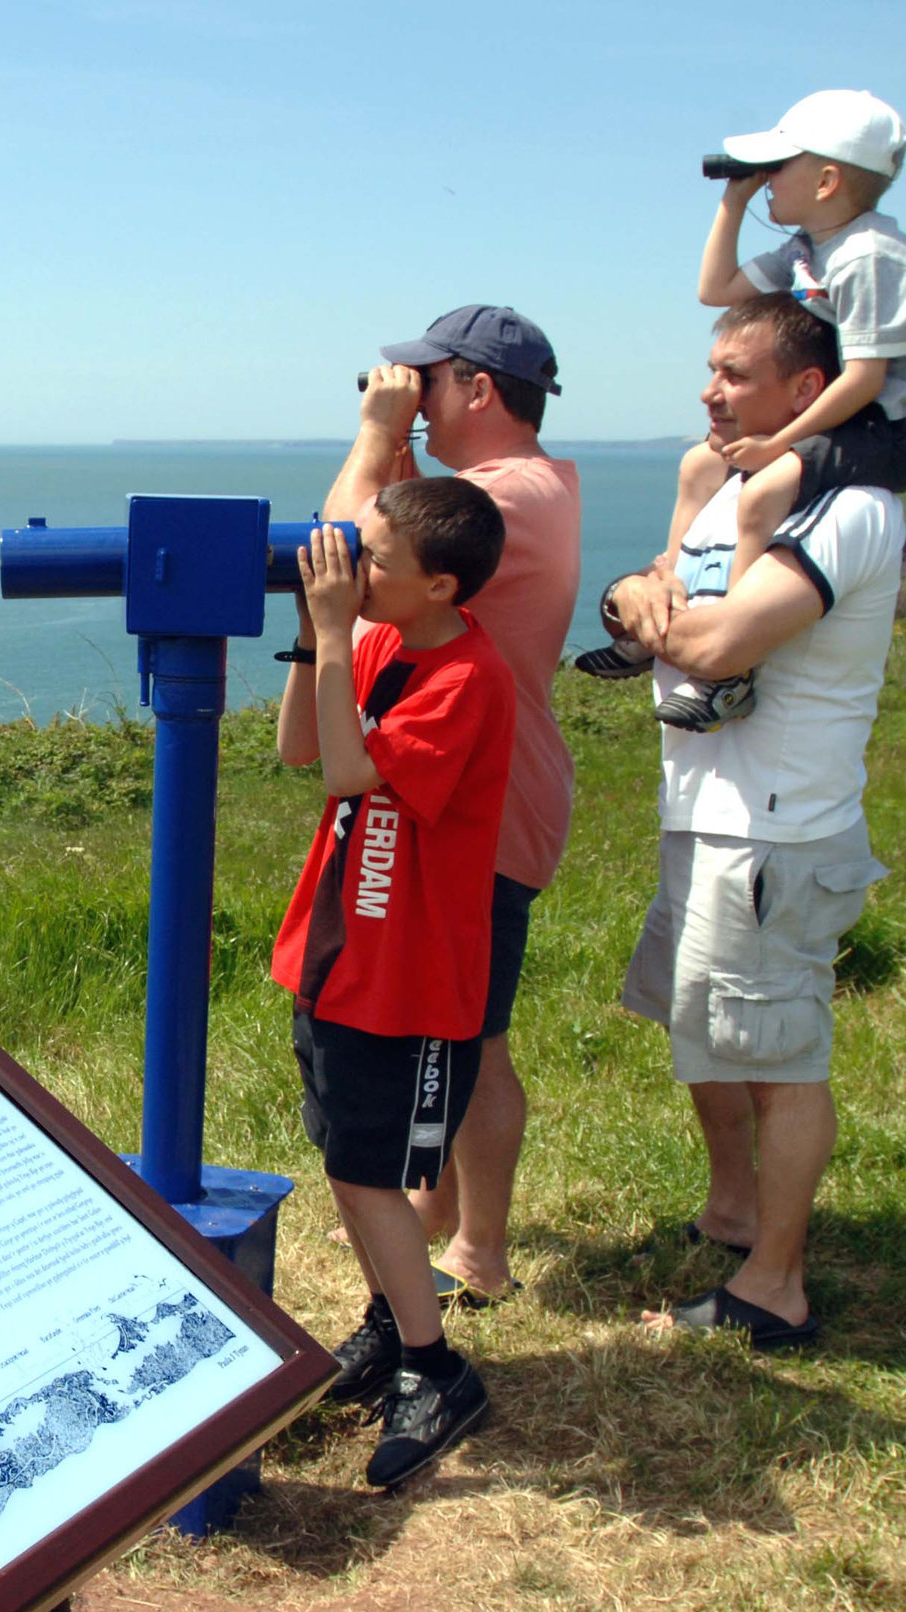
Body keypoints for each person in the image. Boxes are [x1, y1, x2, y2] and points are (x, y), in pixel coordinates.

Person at [590, 293, 905, 1348]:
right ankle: (733, 1212)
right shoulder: (727, 486)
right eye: (709, 368)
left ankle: (775, 1286)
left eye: (734, 373)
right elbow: (652, 592)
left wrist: (658, 613)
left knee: (779, 1056)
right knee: (708, 1029)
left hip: (776, 827)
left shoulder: (850, 510)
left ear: (806, 391)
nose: (707, 390)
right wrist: (640, 594)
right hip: (706, 811)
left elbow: (719, 645)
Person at [301, 306, 582, 1403]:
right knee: (466, 1043)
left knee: (467, 1041)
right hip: (465, 797)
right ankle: (432, 1234)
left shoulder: (502, 499)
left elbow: (343, 540)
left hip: (465, 811)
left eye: (425, 381)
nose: (407, 392)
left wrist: (376, 434)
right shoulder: (539, 483)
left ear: (472, 387)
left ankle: (471, 1251)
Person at [272, 477, 514, 1488]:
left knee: (378, 1176)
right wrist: (311, 637)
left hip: (410, 979)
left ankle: (434, 1369)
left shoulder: (466, 679)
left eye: (373, 560)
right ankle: (387, 1324)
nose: (352, 570)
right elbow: (299, 748)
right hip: (337, 958)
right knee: (345, 1161)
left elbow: (348, 774)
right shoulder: (372, 641)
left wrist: (334, 636)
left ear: (440, 584)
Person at [579, 90, 906, 735]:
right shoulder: (812, 246)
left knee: (767, 487)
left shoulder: (869, 255)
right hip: (848, 413)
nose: (767, 179)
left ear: (829, 179)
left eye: (778, 166)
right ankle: (669, 590)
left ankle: (730, 669)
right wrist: (735, 200)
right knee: (703, 460)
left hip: (896, 427)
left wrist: (780, 442)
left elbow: (867, 378)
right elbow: (714, 289)